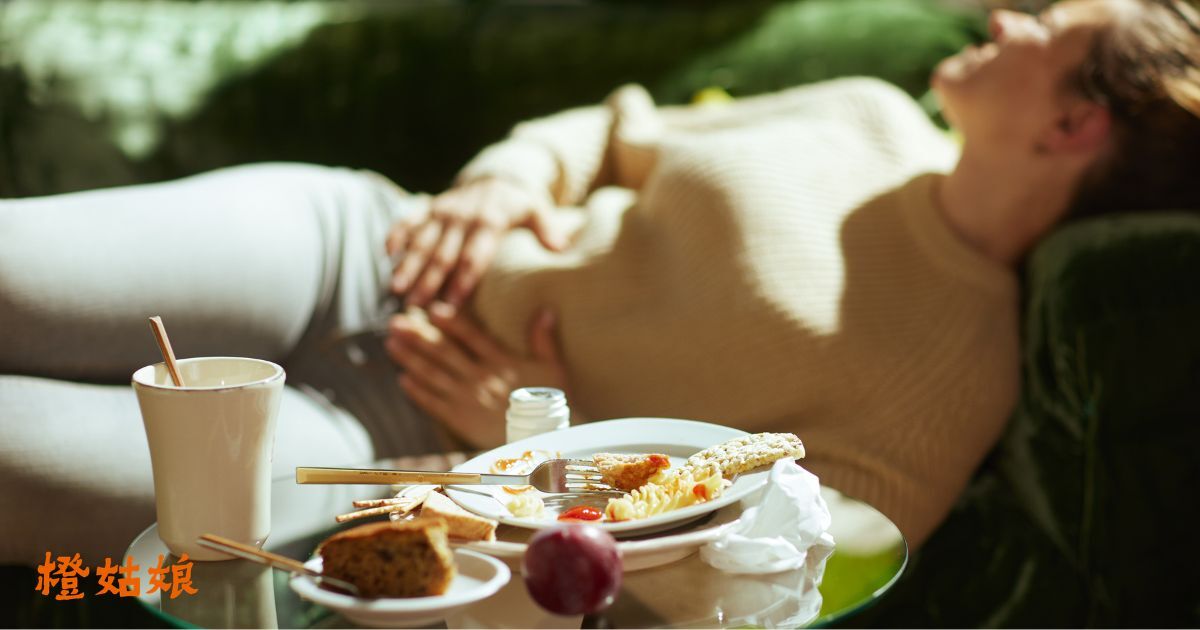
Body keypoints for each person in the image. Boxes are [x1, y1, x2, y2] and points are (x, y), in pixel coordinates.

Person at [1, 0, 1197, 565]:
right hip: (363, 246)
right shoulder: (867, 112)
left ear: (1075, 125)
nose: (1008, 16)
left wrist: (543, 458)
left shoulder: (963, 371)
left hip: (396, 448)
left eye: (1048, 25)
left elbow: (799, 556)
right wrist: (503, 180)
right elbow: (614, 131)